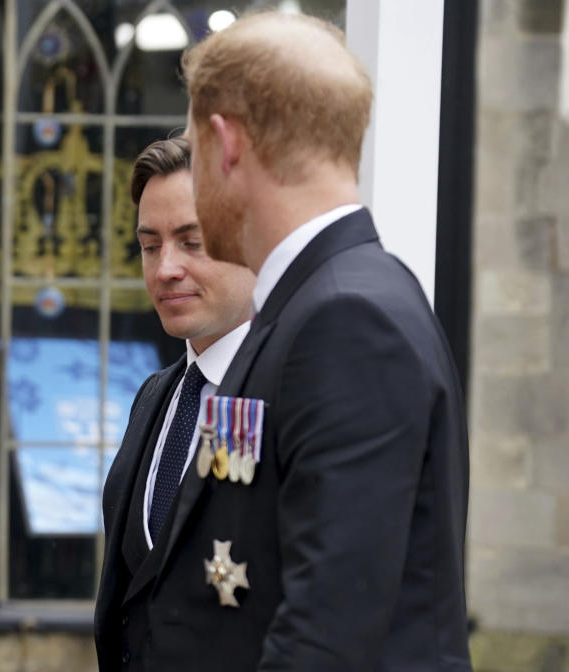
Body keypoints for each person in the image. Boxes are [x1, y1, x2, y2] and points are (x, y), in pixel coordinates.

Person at [175, 10, 472, 671]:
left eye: (192, 153)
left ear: (226, 145)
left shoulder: (347, 319)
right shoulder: (314, 303)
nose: (195, 183)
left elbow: (328, 634)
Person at [94, 137, 257, 670]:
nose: (165, 269)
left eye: (193, 242)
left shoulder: (282, 395)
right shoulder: (156, 395)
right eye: (150, 245)